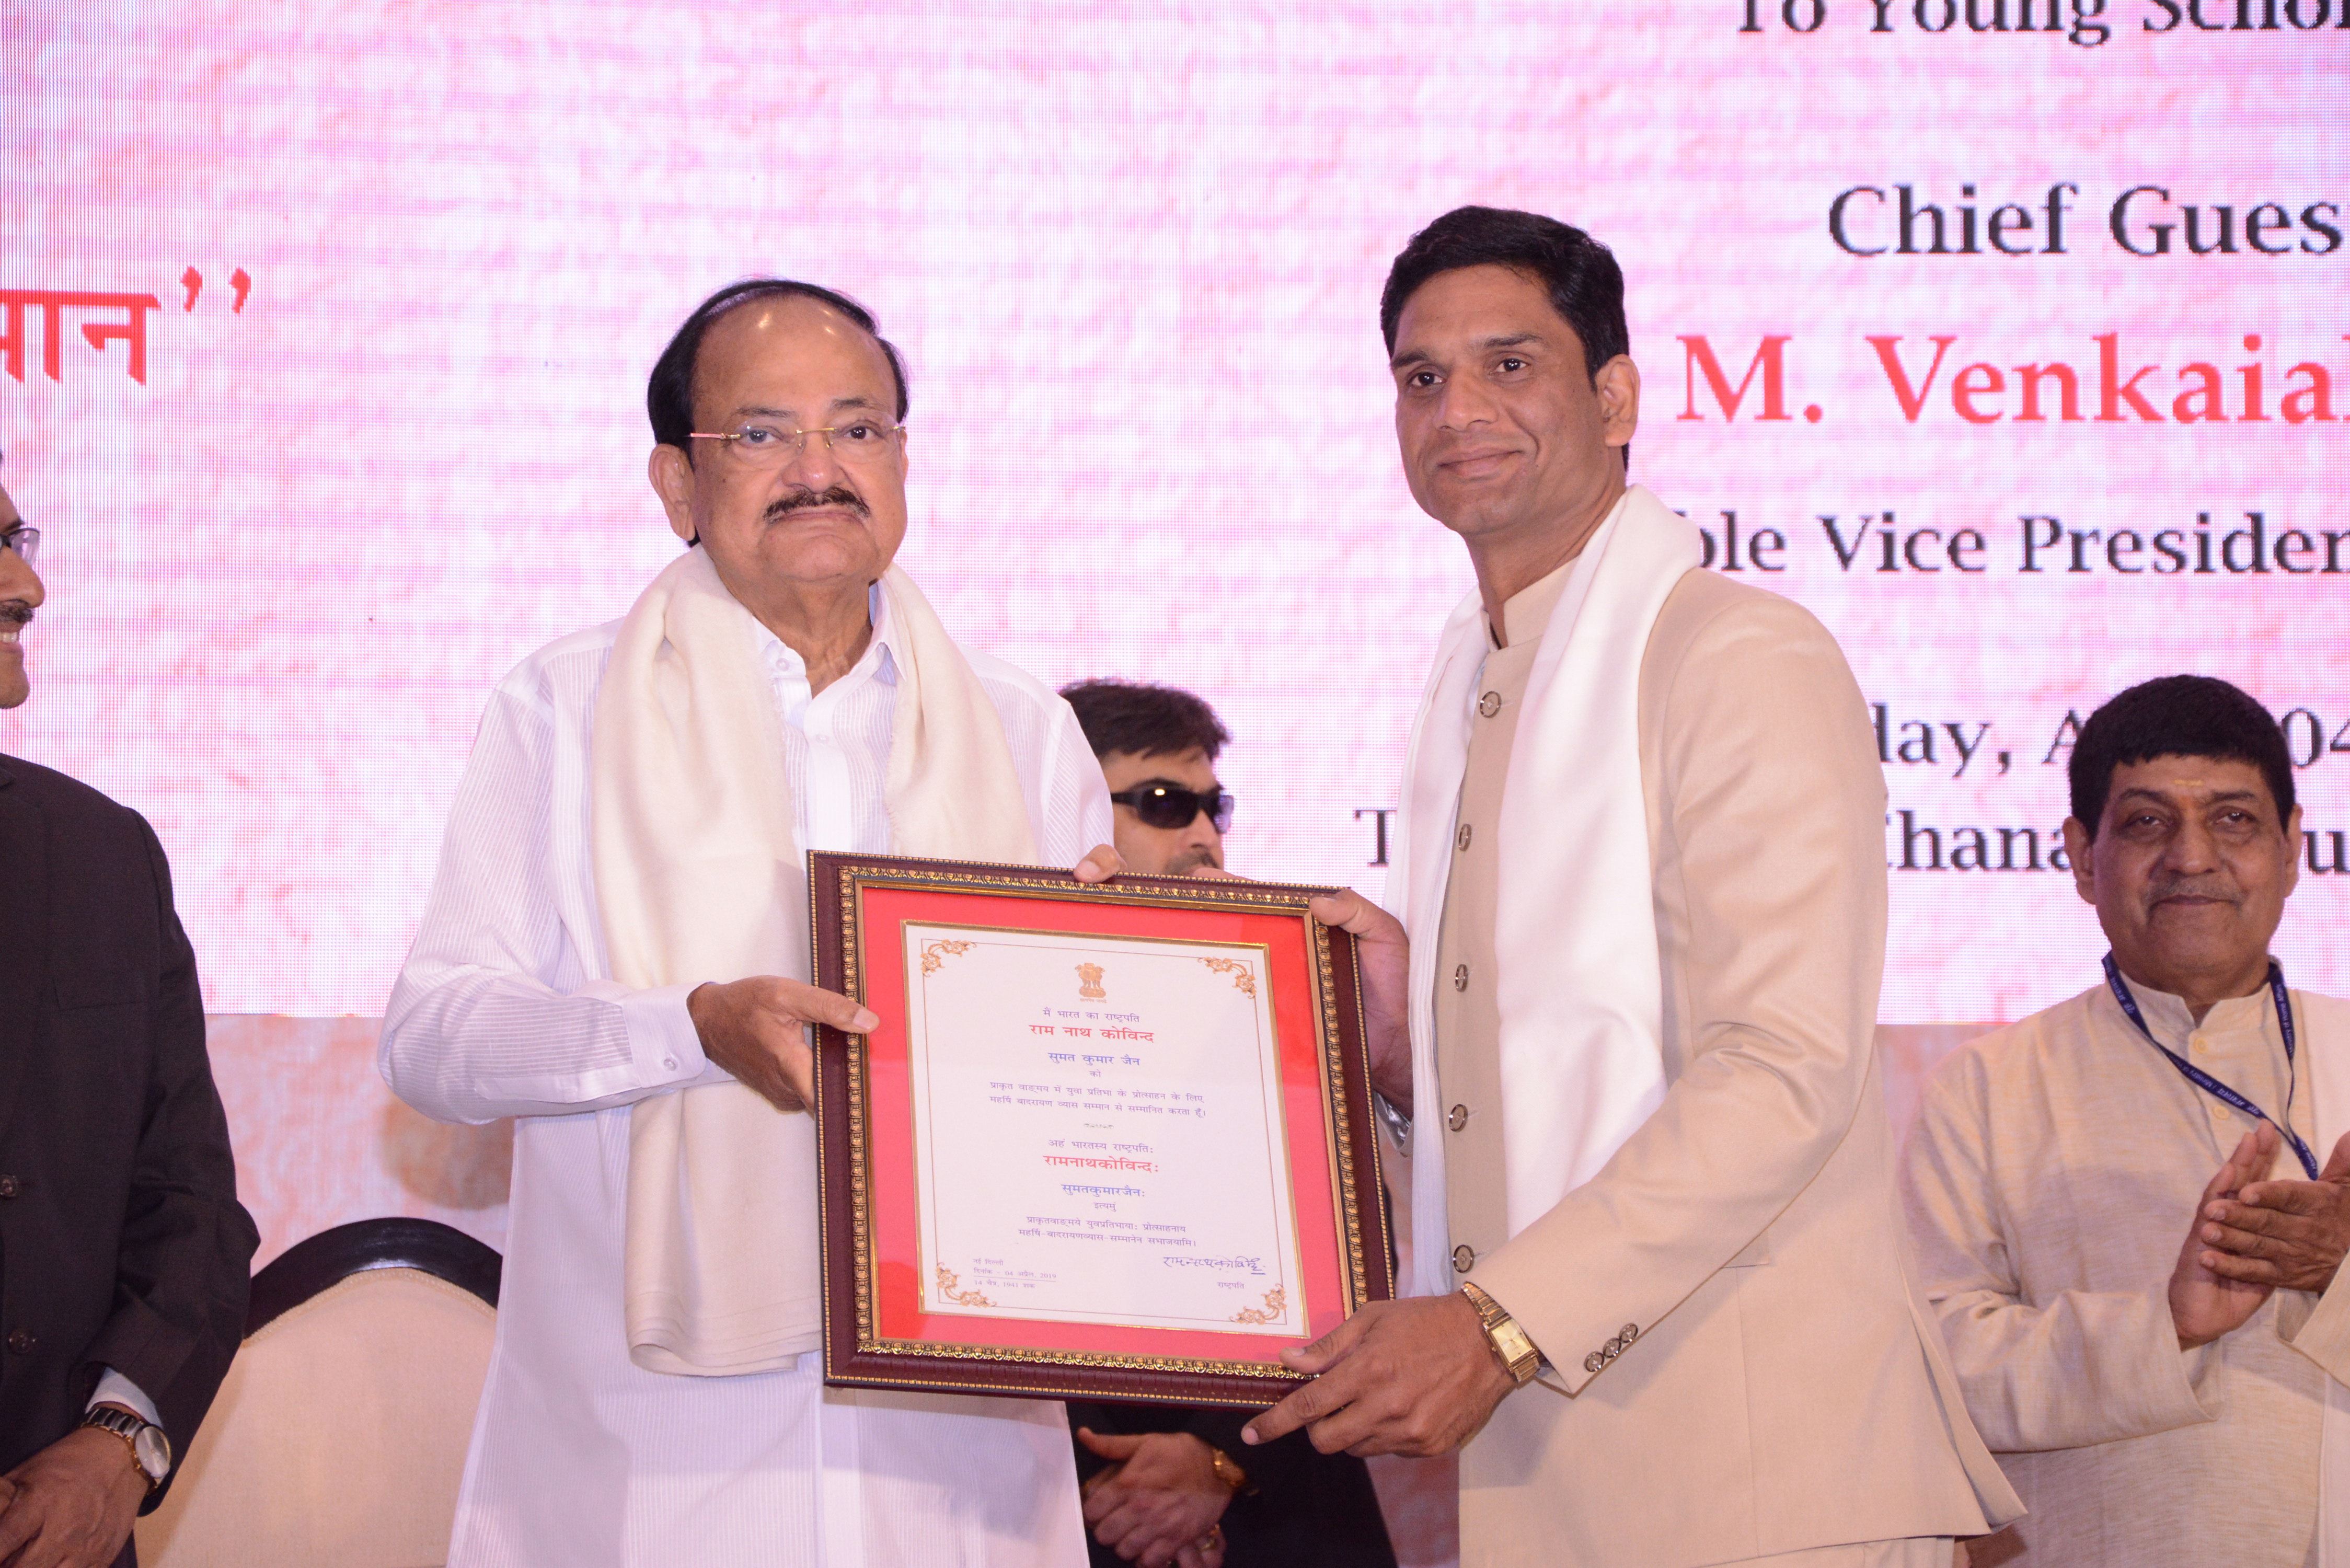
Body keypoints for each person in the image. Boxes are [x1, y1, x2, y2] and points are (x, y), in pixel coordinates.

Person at [1242, 205, 2021, 1567]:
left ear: (1615, 396)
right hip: (1561, 1476)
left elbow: (1783, 1069)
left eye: (1509, 364)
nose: (1458, 410)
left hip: (1763, 1482)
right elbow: (1559, 1083)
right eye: (1421, 377)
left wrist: (1495, 1327)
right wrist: (1405, 1057)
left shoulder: (1733, 655)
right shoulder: (1475, 684)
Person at [380, 281, 1116, 1567]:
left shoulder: (1020, 729)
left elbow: (1080, 1087)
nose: (819, 471)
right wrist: (688, 1030)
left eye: (859, 429)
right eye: (764, 434)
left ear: (903, 461)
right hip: (652, 1468)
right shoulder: (564, 708)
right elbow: (435, 1042)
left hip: (952, 1474)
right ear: (678, 482)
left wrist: (1121, 998)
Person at [1902, 674, 2350, 1568]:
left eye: (2233, 820)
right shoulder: (1985, 1089)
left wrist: (2336, 1271)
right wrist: (2162, 1328)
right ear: (2081, 857)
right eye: (2148, 822)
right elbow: (1931, 1367)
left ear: (2293, 850)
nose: (2192, 857)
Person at [1054, 680, 1397, 1568]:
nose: (1205, 833)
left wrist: (1216, 1460)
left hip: (1285, 1510)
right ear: (1066, 805)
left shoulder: (1284, 989)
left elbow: (1355, 1273)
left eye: (1216, 806)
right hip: (1062, 1507)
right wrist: (1125, 1480)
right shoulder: (973, 998)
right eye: (1165, 804)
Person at [0, 469, 258, 1568]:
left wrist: (116, 1446)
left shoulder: (102, 857)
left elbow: (190, 1208)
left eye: (16, 540)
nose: (28, 587)